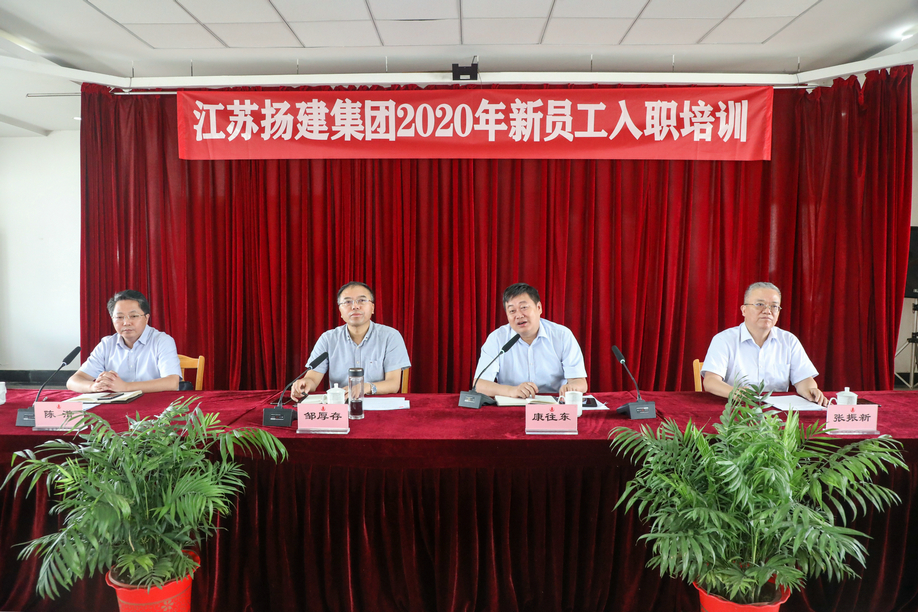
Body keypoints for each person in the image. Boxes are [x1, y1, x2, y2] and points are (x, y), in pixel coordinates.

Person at [701, 281, 828, 405]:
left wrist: (811, 389)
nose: (767, 311)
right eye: (759, 304)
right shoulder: (724, 340)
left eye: (774, 306)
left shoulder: (789, 340)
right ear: (744, 310)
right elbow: (711, 381)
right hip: (736, 407)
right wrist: (734, 392)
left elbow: (804, 379)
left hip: (776, 411)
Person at [291, 282, 411, 400]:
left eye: (362, 300)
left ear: (372, 308)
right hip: (341, 405)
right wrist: (305, 383)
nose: (355, 306)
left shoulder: (390, 336)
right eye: (348, 302)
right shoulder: (328, 339)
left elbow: (393, 384)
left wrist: (366, 387)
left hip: (379, 405)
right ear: (340, 310)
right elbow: (312, 379)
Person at [474, 283, 588, 399]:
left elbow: (580, 382)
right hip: (513, 403)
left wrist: (571, 388)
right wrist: (511, 391)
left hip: (553, 404)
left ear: (539, 308)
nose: (519, 315)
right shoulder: (497, 339)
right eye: (512, 311)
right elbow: (479, 385)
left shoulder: (562, 336)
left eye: (524, 307)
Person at [67, 290, 181, 393]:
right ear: (112, 319)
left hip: (154, 405)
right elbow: (73, 381)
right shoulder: (107, 344)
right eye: (119, 317)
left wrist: (125, 387)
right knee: (68, 409)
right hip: (116, 405)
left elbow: (172, 382)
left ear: (146, 318)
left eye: (134, 316)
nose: (126, 323)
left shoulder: (162, 341)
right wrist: (93, 386)